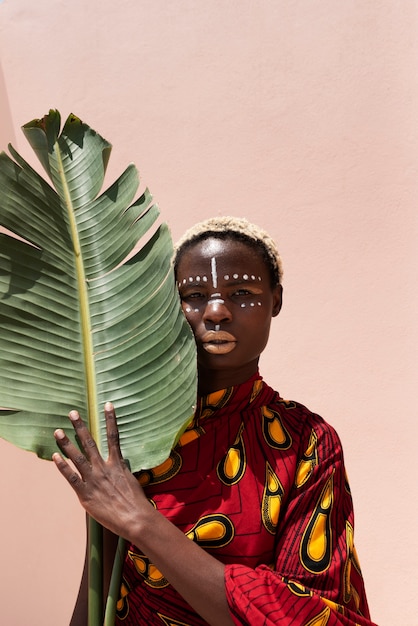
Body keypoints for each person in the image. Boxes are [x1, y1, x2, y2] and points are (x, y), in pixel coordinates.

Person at [53, 216, 377, 626]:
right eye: (194, 295)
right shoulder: (130, 431)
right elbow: (99, 584)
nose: (217, 311)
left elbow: (308, 613)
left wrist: (141, 521)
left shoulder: (308, 441)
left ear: (276, 300)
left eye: (241, 292)